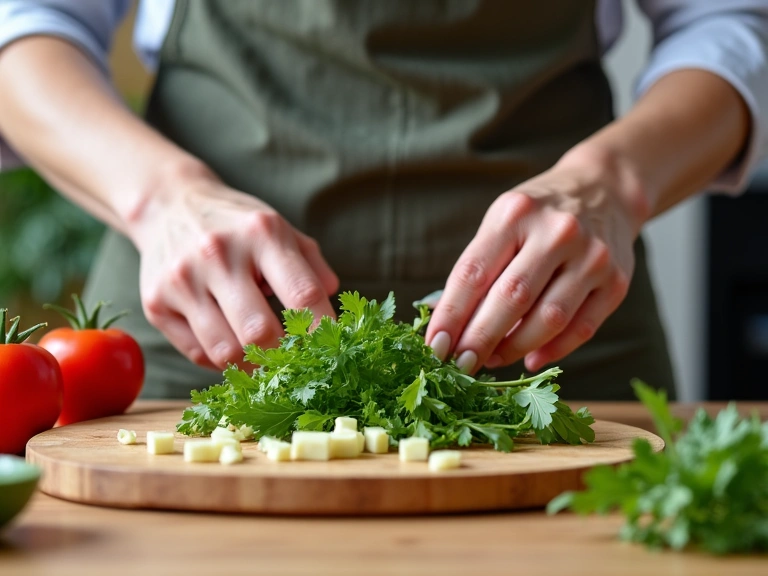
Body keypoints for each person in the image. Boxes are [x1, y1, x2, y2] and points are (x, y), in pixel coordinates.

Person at [0, 0, 766, 400]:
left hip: (555, 336)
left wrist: (612, 184)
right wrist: (162, 201)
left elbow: (730, 21)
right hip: (205, 339)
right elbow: (23, 21)